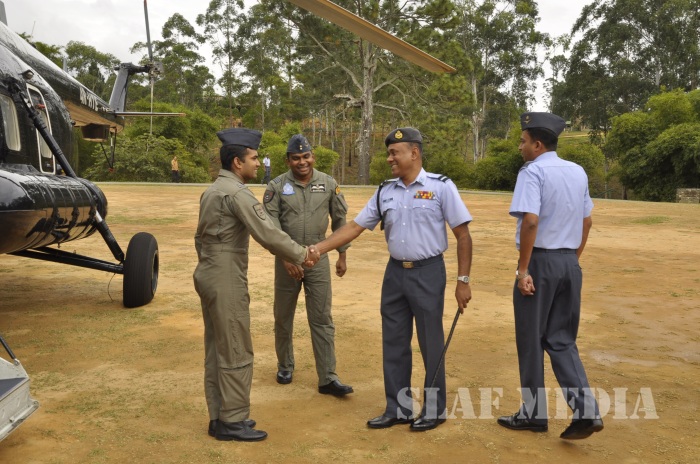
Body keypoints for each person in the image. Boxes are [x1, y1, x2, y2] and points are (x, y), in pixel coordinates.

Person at [313, 128, 473, 431]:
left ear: (414, 153)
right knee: (394, 342)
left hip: (428, 272)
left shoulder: (441, 187)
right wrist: (318, 249)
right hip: (395, 273)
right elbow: (355, 227)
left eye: (394, 153)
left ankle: (435, 409)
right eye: (388, 153)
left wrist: (462, 280)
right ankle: (398, 408)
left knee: (431, 343)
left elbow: (463, 235)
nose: (389, 158)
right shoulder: (385, 191)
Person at [193, 128, 320, 442]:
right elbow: (268, 234)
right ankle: (233, 420)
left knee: (217, 347)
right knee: (236, 345)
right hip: (226, 275)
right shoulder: (237, 193)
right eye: (252, 158)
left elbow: (199, 238)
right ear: (237, 162)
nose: (256, 163)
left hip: (209, 269)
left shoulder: (213, 190)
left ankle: (219, 416)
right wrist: (302, 254)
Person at [497, 112, 603, 440]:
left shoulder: (533, 171)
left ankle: (533, 414)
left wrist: (523, 270)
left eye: (523, 141)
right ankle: (586, 411)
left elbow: (531, 221)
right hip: (569, 262)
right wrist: (572, 260)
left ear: (538, 145)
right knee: (562, 340)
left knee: (531, 340)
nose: (520, 146)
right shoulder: (577, 171)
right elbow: (587, 221)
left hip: (540, 263)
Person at [263, 134, 353, 396]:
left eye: (306, 156)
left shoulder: (328, 184)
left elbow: (340, 221)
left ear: (313, 157)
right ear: (288, 161)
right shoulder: (276, 186)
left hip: (318, 259)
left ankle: (328, 377)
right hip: (287, 261)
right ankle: (285, 366)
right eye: (296, 158)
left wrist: (342, 254)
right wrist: (286, 257)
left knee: (322, 318)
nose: (302, 162)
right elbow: (270, 227)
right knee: (283, 316)